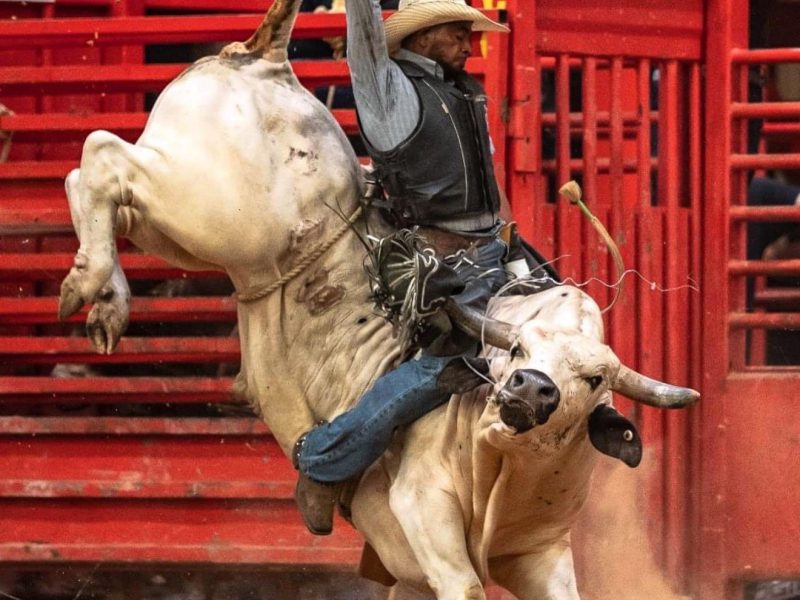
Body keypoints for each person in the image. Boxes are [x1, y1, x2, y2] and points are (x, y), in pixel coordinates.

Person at [291, 0, 517, 536]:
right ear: (421, 37)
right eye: (457, 31)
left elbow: (486, 179)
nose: (470, 41)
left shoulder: (462, 91)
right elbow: (365, 35)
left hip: (491, 249)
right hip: (436, 264)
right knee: (454, 366)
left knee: (565, 323)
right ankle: (324, 462)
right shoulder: (388, 94)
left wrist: (508, 242)